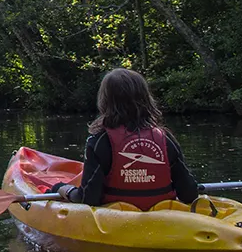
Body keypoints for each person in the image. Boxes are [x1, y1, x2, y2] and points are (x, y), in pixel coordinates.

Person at [57, 68, 199, 210]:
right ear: (145, 98)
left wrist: (63, 189)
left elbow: (88, 198)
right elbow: (189, 193)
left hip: (116, 218)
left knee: (57, 187)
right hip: (161, 216)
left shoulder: (99, 141)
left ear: (105, 100)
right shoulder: (165, 138)